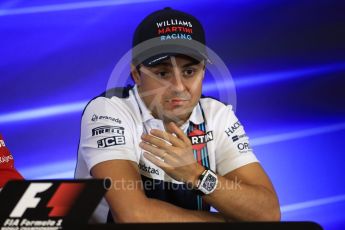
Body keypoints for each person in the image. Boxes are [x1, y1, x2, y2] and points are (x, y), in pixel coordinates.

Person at [75, 7, 280, 223]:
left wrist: (195, 174)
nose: (179, 87)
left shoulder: (217, 115)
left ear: (202, 72)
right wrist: (231, 222)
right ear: (136, 74)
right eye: (163, 73)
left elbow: (268, 213)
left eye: (189, 72)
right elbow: (133, 216)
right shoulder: (109, 110)